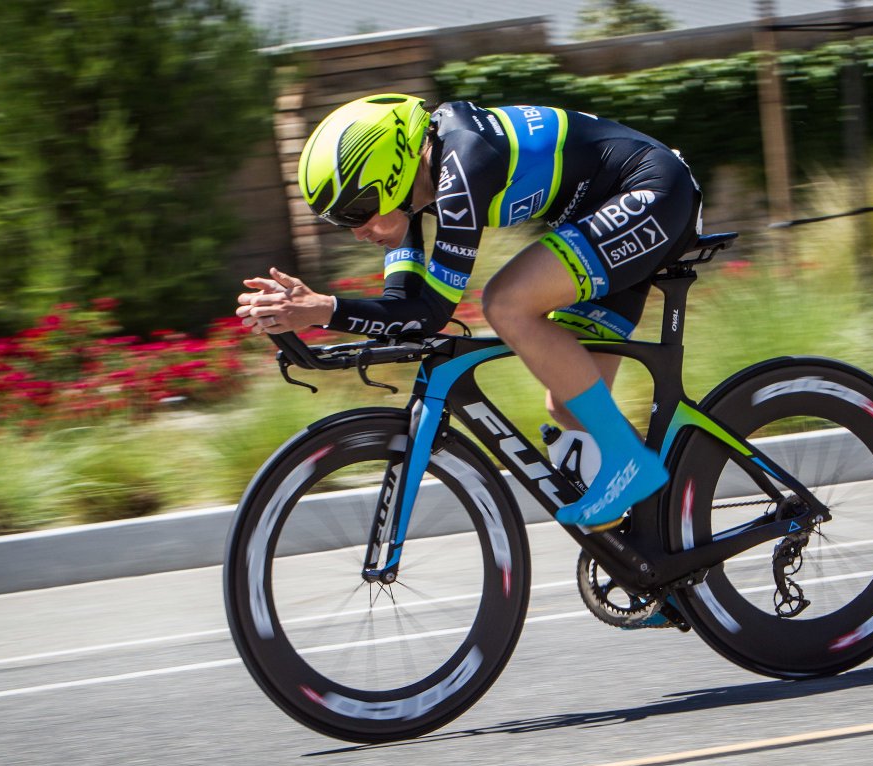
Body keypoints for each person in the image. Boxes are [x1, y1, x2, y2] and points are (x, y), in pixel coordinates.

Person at [236, 93, 702, 529]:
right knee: (569, 403)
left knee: (506, 302)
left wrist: (323, 310)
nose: (357, 232)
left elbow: (431, 312)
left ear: (393, 173)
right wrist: (320, 313)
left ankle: (626, 460)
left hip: (652, 192)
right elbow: (403, 308)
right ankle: (665, 573)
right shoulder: (416, 189)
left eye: (357, 211)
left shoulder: (463, 166)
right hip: (603, 213)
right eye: (341, 221)